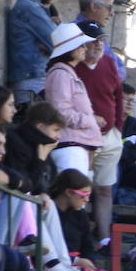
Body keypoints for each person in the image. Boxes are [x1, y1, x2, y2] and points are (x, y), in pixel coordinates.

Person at [70, 22, 124, 245]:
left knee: (104, 190)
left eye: (101, 39)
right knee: (80, 191)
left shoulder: (109, 63)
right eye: (93, 40)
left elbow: (119, 96)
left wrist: (118, 128)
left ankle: (103, 239)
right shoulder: (72, 68)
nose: (98, 44)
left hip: (109, 137)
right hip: (81, 138)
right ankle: (79, 240)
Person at [45, 22, 102, 180]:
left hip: (75, 147)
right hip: (69, 149)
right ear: (72, 48)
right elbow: (61, 112)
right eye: (81, 45)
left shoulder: (67, 73)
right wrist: (89, 120)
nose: (85, 48)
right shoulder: (61, 74)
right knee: (71, 198)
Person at [8, 0, 59, 110]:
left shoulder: (34, 8)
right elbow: (60, 43)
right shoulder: (29, 8)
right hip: (32, 85)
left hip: (33, 83)